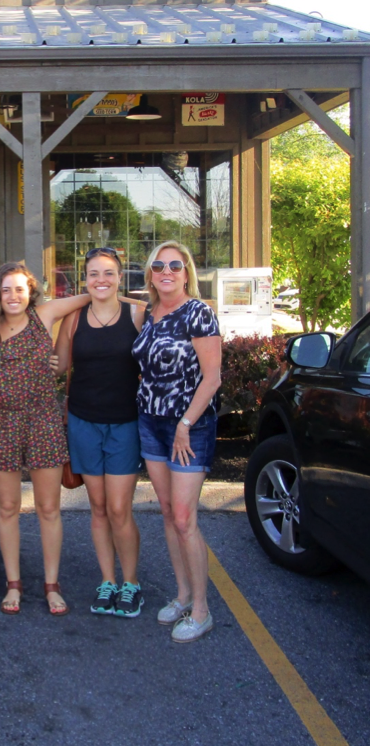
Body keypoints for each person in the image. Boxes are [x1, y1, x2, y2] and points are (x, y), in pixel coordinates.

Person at [0, 262, 89, 616]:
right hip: (1, 423)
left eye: (19, 289)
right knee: (7, 509)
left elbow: (94, 294)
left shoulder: (45, 315)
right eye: (6, 289)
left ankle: (52, 585)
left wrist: (147, 300)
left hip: (43, 419)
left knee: (48, 508)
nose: (13, 296)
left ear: (31, 292)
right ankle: (14, 583)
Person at [132, 240, 222, 643]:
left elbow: (213, 378)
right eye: (158, 266)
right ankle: (184, 595)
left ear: (187, 272)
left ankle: (202, 611)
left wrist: (186, 422)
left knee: (185, 519)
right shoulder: (148, 314)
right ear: (150, 274)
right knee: (168, 512)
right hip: (150, 422)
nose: (166, 271)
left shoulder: (199, 313)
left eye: (175, 265)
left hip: (189, 427)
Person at [54, 248, 147, 618]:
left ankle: (132, 583)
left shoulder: (137, 314)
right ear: (85, 279)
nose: (101, 280)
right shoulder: (75, 318)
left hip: (125, 423)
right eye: (93, 274)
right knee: (98, 508)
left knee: (120, 508)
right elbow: (59, 366)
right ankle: (107, 581)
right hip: (83, 422)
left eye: (108, 273)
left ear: (120, 278)